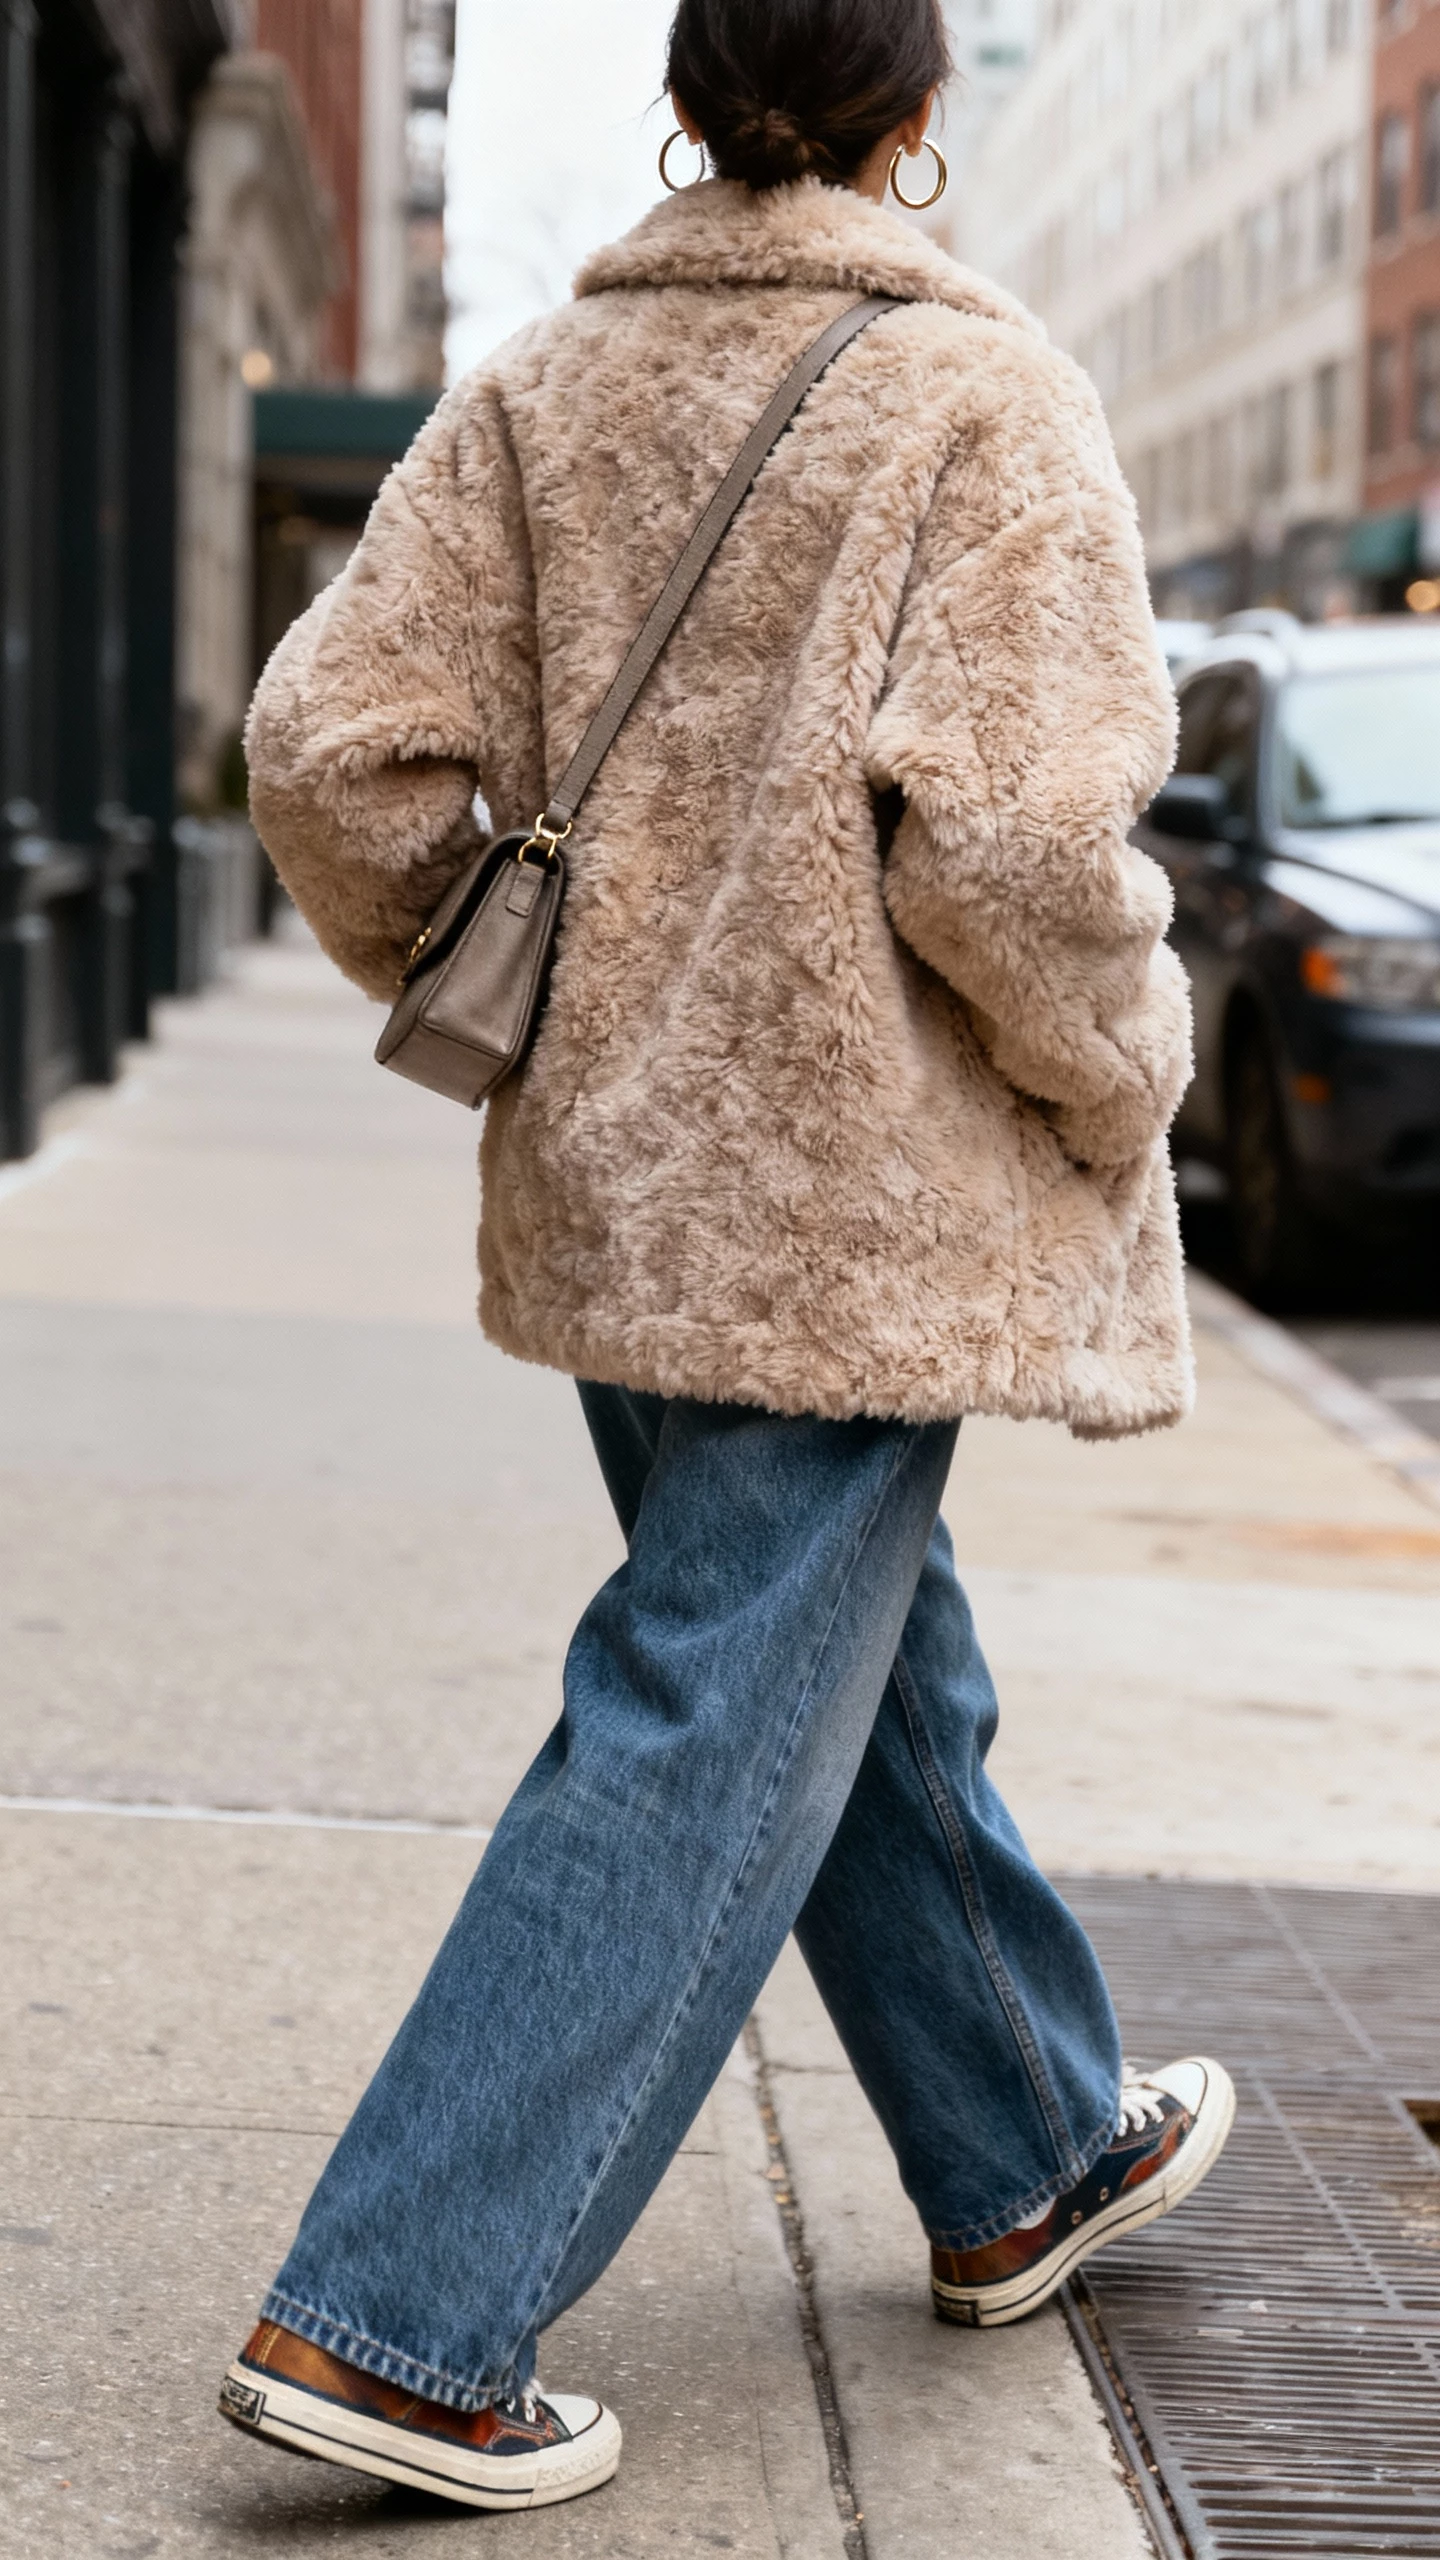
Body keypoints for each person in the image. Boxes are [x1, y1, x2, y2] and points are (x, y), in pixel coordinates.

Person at [221, 0, 1234, 2514]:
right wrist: (1128, 1068)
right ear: (915, 124)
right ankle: (405, 2313)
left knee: (842, 1668)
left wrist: (504, 957)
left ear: (688, 107)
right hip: (859, 1195)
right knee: (706, 1706)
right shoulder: (985, 406)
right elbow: (1007, 852)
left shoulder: (539, 390)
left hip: (623, 1165)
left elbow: (326, 749)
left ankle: (1027, 2139)